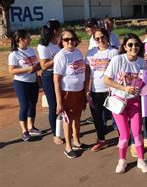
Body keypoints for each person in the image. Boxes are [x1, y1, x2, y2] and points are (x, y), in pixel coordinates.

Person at [103, 33, 147, 173]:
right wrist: (124, 88)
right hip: (119, 102)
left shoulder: (142, 62)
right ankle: (122, 160)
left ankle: (141, 160)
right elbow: (106, 80)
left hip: (135, 102)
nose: (133, 47)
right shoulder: (117, 60)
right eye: (130, 44)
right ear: (124, 46)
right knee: (124, 134)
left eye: (136, 44)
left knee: (137, 133)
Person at [53, 30, 89, 159]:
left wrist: (85, 91)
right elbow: (56, 80)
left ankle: (76, 141)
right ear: (61, 42)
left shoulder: (78, 52)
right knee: (67, 120)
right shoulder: (61, 56)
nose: (70, 42)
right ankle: (68, 146)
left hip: (79, 91)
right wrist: (59, 101)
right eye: (66, 40)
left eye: (72, 39)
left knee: (77, 118)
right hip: (67, 92)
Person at [85, 29, 119, 152]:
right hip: (95, 90)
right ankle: (101, 140)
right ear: (94, 40)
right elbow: (88, 72)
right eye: (97, 38)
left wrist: (114, 87)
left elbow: (118, 71)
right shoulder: (90, 53)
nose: (100, 40)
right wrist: (87, 90)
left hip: (111, 90)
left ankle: (123, 137)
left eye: (102, 37)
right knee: (97, 117)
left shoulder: (114, 52)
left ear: (107, 37)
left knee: (117, 116)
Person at [8, 30, 42, 141]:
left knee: (33, 104)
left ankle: (31, 127)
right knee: (24, 106)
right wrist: (27, 69)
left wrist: (38, 69)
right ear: (21, 40)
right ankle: (24, 131)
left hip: (33, 81)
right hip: (21, 83)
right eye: (28, 38)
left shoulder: (31, 50)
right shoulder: (14, 54)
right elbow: (11, 71)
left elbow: (35, 64)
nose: (30, 40)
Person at [37, 20, 63, 144]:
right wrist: (59, 57)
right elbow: (43, 65)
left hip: (62, 75)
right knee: (54, 106)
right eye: (60, 29)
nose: (61, 31)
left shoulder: (58, 42)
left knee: (64, 103)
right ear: (55, 31)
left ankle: (66, 129)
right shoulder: (43, 46)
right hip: (49, 76)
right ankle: (55, 134)